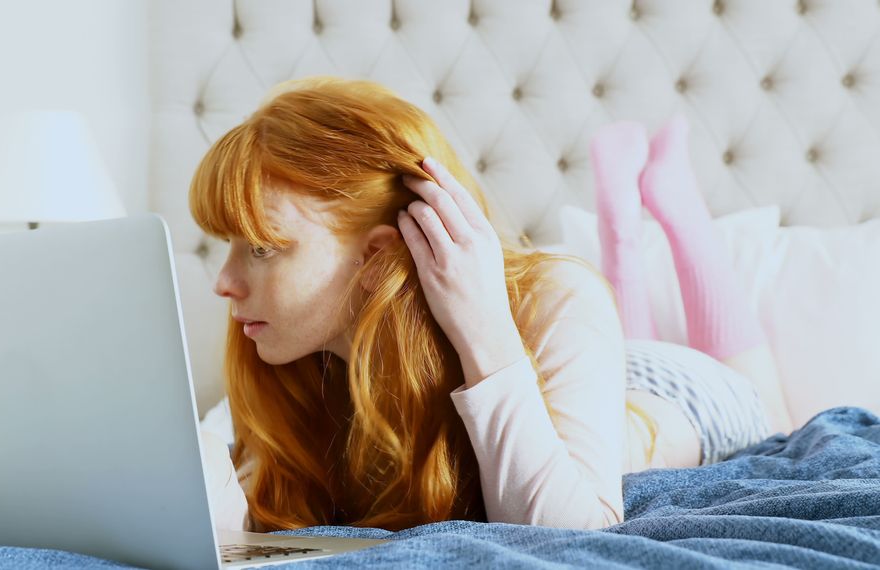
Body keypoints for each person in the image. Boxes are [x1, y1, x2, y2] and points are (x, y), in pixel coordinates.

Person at [188, 76, 793, 533]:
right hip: (587, 360)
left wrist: (482, 330)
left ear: (375, 259)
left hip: (675, 391)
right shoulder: (290, 356)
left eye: (263, 250)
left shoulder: (555, 300)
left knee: (769, 404)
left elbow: (571, 536)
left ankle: (670, 217)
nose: (224, 282)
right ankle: (623, 235)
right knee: (600, 332)